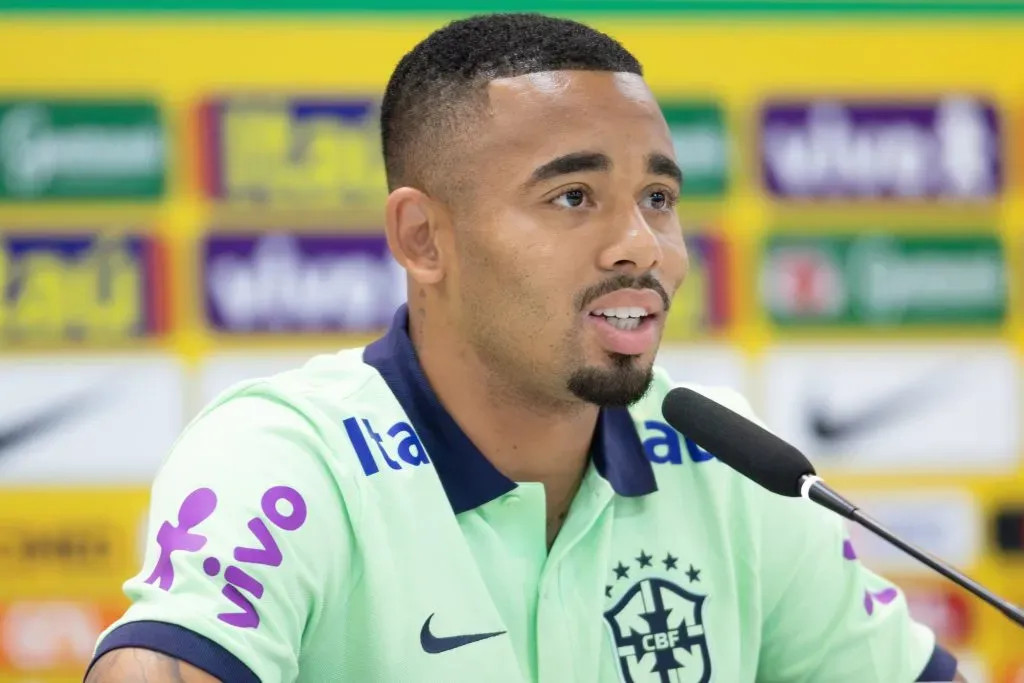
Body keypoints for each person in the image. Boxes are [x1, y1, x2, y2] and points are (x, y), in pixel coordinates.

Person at [84, 13, 965, 683]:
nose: (640, 246)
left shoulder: (728, 461)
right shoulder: (289, 455)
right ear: (423, 238)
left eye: (658, 198)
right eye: (575, 197)